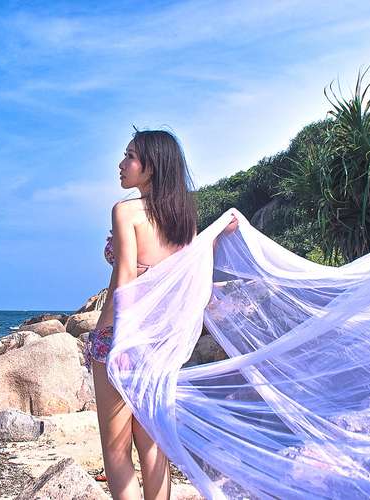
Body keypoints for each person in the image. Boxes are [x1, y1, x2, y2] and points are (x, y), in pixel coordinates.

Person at [84, 128, 240, 499]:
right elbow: (188, 282)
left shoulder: (125, 211)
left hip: (119, 337)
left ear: (151, 167)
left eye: (130, 156)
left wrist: (109, 339)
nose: (121, 164)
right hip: (157, 344)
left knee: (117, 451)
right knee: (153, 448)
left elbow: (125, 279)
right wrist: (218, 235)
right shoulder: (182, 221)